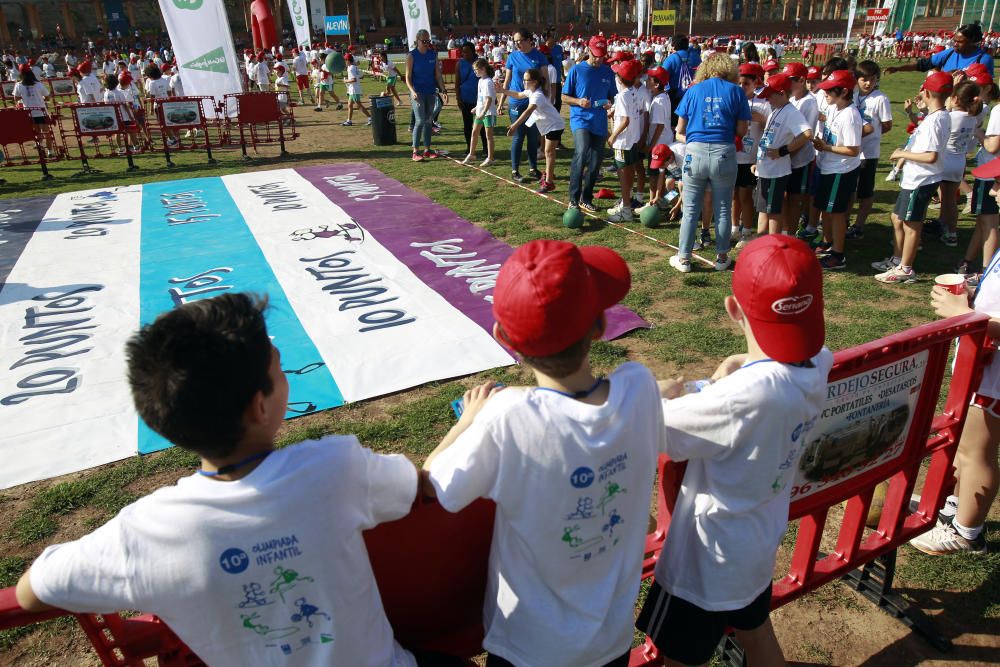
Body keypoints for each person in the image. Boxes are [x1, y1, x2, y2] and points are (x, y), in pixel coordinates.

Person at [14, 293, 429, 667]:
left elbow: (30, 592)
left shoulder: (142, 533)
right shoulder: (336, 467)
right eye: (280, 367)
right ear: (259, 407)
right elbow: (417, 483)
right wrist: (467, 423)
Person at [424, 239, 667, 667]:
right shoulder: (639, 387)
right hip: (609, 640)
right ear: (600, 326)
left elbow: (434, 482)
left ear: (502, 337)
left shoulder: (505, 416)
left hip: (529, 648)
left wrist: (467, 421)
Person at [638, 234, 833, 667]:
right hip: (756, 547)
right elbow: (762, 380)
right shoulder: (819, 362)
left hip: (703, 567)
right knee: (755, 630)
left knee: (678, 658)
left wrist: (655, 391)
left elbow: (647, 424)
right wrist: (734, 371)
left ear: (733, 309)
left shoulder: (740, 399)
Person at [909, 157, 1000, 557]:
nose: (993, 191)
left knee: (976, 449)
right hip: (983, 362)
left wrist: (963, 315)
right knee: (964, 441)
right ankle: (955, 507)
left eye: (999, 184)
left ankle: (966, 532)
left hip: (996, 371)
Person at [669, 53, 750, 274]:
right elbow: (742, 131)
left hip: (695, 153)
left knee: (691, 208)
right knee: (723, 208)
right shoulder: (736, 91)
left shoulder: (693, 90)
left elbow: (680, 130)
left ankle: (684, 258)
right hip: (724, 152)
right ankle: (722, 257)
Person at [872, 71, 952, 283]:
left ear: (926, 92)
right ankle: (897, 259)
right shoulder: (936, 116)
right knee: (897, 218)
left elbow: (931, 156)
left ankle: (906, 268)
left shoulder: (937, 120)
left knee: (911, 224)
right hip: (915, 178)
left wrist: (901, 154)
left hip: (922, 179)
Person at [811, 69, 863, 271]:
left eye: (829, 91)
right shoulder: (835, 109)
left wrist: (827, 147)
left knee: (837, 212)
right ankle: (827, 242)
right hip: (829, 166)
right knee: (826, 208)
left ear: (842, 92)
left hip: (841, 171)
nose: (825, 94)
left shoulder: (850, 115)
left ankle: (838, 254)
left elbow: (853, 149)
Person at [562, 36, 616, 213]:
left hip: (599, 122)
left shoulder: (608, 72)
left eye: (602, 55)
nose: (599, 58)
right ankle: (573, 199)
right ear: (588, 50)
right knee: (581, 151)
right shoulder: (577, 70)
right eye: (596, 55)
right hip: (580, 119)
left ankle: (586, 198)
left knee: (595, 162)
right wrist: (578, 101)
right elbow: (563, 96)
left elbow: (612, 97)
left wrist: (609, 104)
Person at [753, 73, 812, 236]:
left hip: (776, 171)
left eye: (770, 96)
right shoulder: (776, 110)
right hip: (765, 168)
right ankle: (763, 239)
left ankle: (773, 243)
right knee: (764, 208)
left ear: (782, 93)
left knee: (773, 210)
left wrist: (783, 150)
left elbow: (807, 134)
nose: (767, 100)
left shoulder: (791, 112)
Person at [848, 60, 893, 239]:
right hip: (852, 151)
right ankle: (845, 221)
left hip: (868, 153)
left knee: (865, 191)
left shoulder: (880, 98)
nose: (868, 83)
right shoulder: (853, 95)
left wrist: (872, 135)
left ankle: (858, 226)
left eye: (872, 79)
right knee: (850, 189)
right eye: (864, 79)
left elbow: (887, 124)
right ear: (857, 79)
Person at [502, 67, 564, 192]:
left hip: (554, 126)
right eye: (523, 80)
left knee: (549, 153)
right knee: (547, 152)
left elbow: (527, 112)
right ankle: (547, 175)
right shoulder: (532, 91)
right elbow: (519, 95)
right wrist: (502, 90)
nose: (523, 82)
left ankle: (548, 183)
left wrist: (515, 125)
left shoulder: (537, 95)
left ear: (535, 82)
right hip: (549, 126)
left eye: (526, 80)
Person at [938, 80, 982, 247]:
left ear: (955, 99)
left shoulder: (950, 116)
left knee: (941, 199)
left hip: (945, 161)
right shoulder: (972, 119)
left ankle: (947, 232)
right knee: (950, 200)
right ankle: (949, 231)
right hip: (959, 162)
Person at [503, 29, 548, 184]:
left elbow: (545, 80)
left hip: (533, 105)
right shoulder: (512, 57)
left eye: (520, 40)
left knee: (532, 136)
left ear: (529, 40)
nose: (517, 44)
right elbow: (507, 80)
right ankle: (515, 170)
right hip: (517, 103)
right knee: (518, 136)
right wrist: (502, 101)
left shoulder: (539, 57)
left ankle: (533, 168)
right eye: (515, 41)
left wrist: (547, 100)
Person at [606, 59, 644, 222]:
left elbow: (625, 120)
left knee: (623, 176)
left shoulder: (622, 95)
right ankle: (626, 205)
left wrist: (613, 136)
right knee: (629, 174)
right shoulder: (633, 92)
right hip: (632, 140)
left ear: (620, 79)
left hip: (623, 142)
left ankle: (626, 210)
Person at [406, 29, 450, 162]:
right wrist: (412, 91)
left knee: (428, 121)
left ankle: (427, 149)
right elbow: (407, 77)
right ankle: (415, 151)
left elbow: (438, 75)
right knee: (419, 120)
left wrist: (443, 90)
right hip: (417, 93)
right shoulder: (411, 56)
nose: (426, 43)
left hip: (430, 92)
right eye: (423, 41)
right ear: (417, 41)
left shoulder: (433, 55)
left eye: (428, 41)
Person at [885, 23, 995, 75]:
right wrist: (898, 68)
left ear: (972, 41)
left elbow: (985, 86)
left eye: (960, 42)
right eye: (954, 40)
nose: (955, 44)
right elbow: (922, 65)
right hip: (945, 103)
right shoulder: (949, 53)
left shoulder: (983, 59)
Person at [462, 58, 497, 167]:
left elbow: (489, 99)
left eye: (476, 69)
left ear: (483, 69)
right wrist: (477, 108)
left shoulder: (488, 82)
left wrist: (483, 112)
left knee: (489, 136)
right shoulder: (481, 81)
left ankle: (490, 158)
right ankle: (472, 154)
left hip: (488, 113)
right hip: (480, 112)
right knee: (474, 132)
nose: (475, 72)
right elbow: (481, 98)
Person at [663, 34, 701, 126]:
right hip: (694, 95)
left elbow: (662, 76)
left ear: (674, 45)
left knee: (674, 126)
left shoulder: (671, 58)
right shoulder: (696, 57)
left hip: (676, 97)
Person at [457, 42, 487, 158]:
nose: (465, 54)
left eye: (467, 51)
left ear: (473, 51)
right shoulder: (460, 64)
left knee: (483, 125)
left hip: (480, 100)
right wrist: (458, 98)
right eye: (463, 52)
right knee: (467, 125)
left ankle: (485, 147)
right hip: (465, 98)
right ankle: (469, 147)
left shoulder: (480, 62)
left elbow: (488, 77)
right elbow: (457, 82)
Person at [341, 54, 371, 127]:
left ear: (348, 60)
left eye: (345, 60)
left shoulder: (351, 68)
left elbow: (353, 80)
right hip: (353, 89)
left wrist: (346, 81)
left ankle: (371, 118)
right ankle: (349, 121)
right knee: (350, 105)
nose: (345, 62)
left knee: (358, 105)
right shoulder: (353, 67)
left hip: (354, 89)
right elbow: (361, 76)